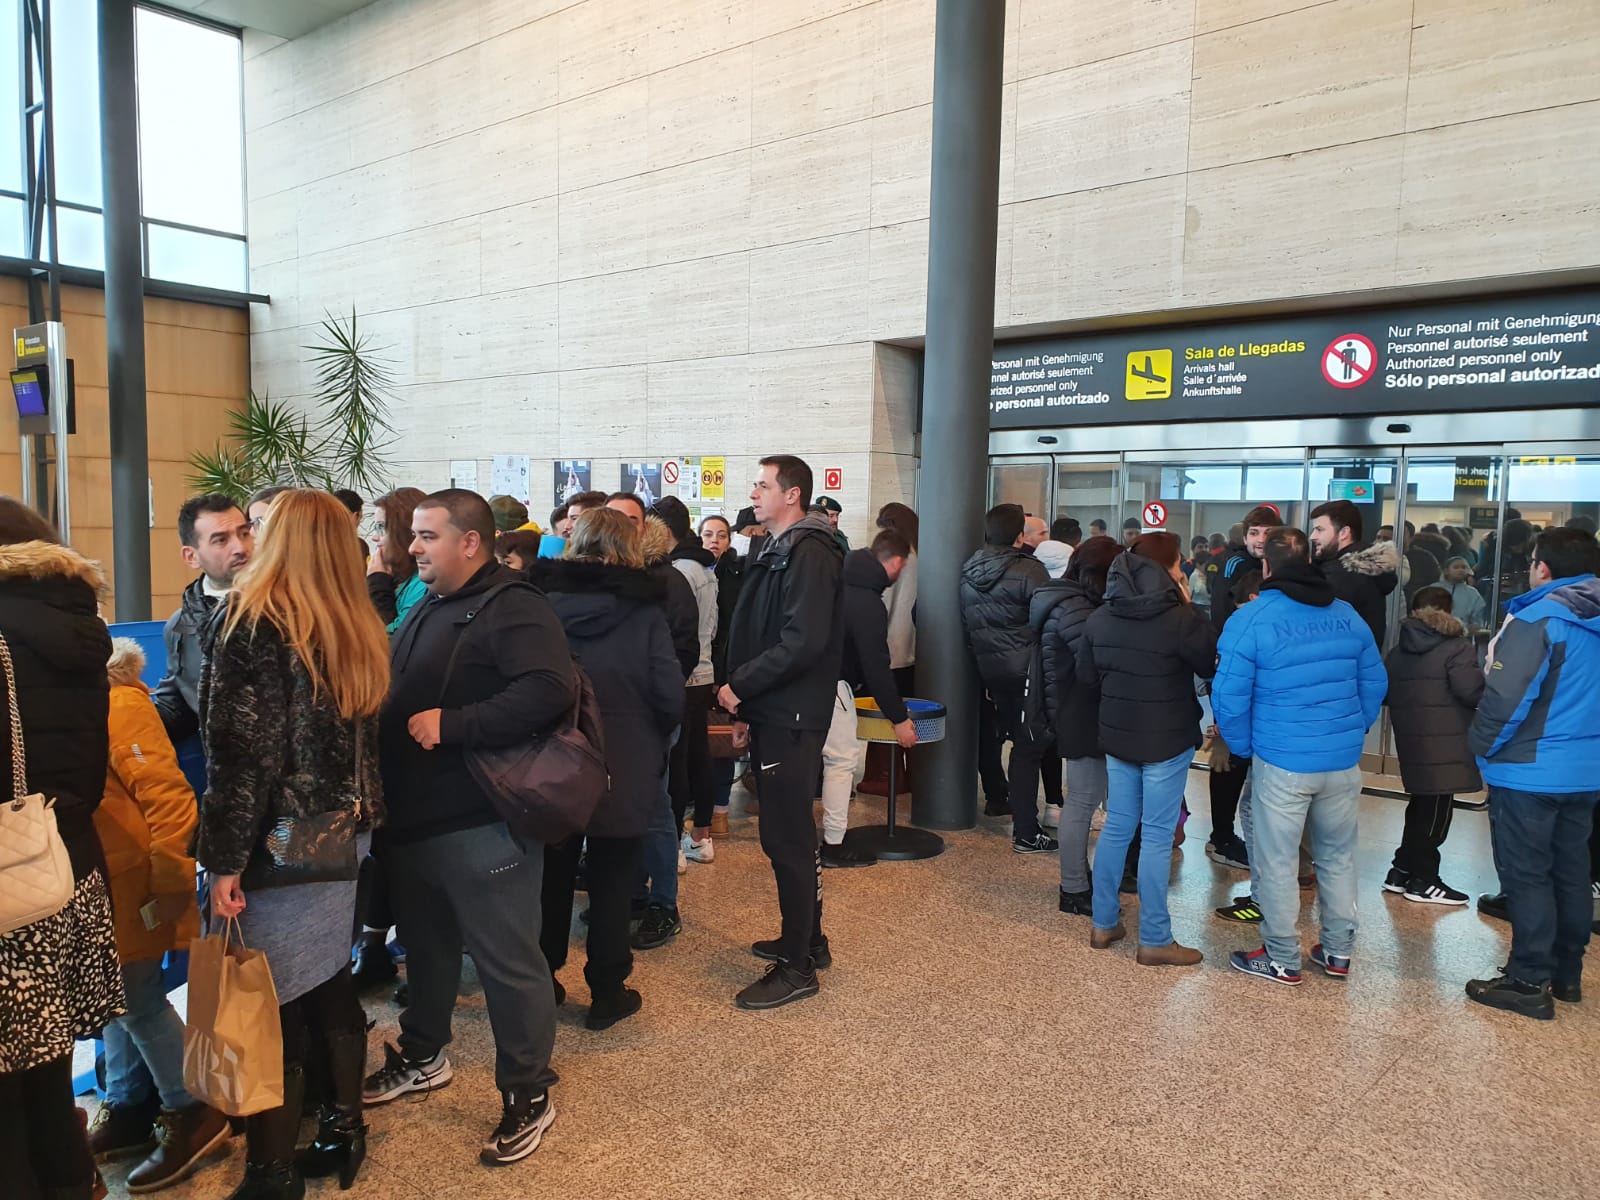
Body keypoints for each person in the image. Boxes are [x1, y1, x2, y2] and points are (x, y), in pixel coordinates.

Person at [364, 490, 572, 1166]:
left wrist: (455, 724)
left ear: (470, 542)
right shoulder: (431, 601)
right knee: (424, 951)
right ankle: (424, 1054)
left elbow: (547, 691)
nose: (413, 547)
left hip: (479, 821)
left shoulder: (514, 606)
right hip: (415, 820)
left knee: (507, 961)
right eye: (414, 536)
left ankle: (528, 1090)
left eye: (427, 536)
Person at [196, 489, 389, 1198]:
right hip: (346, 837)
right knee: (326, 978)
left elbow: (241, 757)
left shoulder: (251, 619)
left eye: (262, 526)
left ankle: (272, 1170)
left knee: (266, 994)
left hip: (278, 840)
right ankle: (344, 1128)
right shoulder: (355, 621)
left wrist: (221, 859)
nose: (250, 539)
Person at [0, 501, 121, 1200]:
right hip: (65, 867)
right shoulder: (78, 626)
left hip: (8, 885)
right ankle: (74, 1183)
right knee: (46, 1065)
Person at [1213, 528, 1385, 987]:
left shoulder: (1251, 618)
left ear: (1265, 567)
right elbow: (1375, 683)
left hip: (1283, 761)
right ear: (1310, 559)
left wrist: (1246, 746)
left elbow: (1228, 696)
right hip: (1341, 761)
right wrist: (1351, 732)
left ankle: (1282, 957)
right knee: (1338, 857)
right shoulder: (1346, 615)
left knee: (1277, 861)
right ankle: (1338, 952)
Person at [88, 639, 228, 1192]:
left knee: (137, 997)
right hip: (104, 879)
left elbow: (169, 797)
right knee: (114, 996)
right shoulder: (81, 697)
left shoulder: (119, 701)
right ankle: (128, 1102)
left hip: (134, 881)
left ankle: (191, 1108)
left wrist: (171, 881)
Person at [535, 510, 684, 1030]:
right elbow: (668, 692)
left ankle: (544, 979)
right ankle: (605, 989)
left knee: (551, 875)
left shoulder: (543, 606)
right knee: (615, 877)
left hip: (553, 758)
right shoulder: (644, 614)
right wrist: (655, 740)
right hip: (625, 757)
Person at [720, 455, 844, 1010]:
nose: (754, 490)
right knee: (782, 834)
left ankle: (797, 967)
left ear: (791, 495)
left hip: (792, 713)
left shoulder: (810, 549)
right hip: (774, 709)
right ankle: (807, 940)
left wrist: (740, 687)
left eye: (763, 484)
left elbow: (802, 641)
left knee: (789, 838)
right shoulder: (776, 546)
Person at [1465, 528, 1600, 1020]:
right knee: (1572, 872)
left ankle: (1527, 979)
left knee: (1526, 875)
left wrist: (1480, 749)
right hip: (1586, 772)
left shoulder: (1540, 617)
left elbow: (1506, 698)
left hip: (1530, 771)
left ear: (1542, 567)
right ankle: (1566, 974)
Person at [1077, 532, 1216, 966]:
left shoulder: (1100, 618)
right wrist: (1189, 605)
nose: (1182, 571)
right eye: (1178, 565)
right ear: (1166, 570)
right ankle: (1154, 938)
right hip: (1167, 739)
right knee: (1156, 836)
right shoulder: (1182, 620)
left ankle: (1104, 923)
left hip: (1119, 738)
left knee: (1117, 826)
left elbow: (1085, 678)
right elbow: (1210, 663)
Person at [1033, 536, 1121, 916]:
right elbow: (1095, 666)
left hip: (1073, 710)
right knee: (1082, 801)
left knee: (1083, 800)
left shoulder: (1066, 601)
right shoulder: (1078, 610)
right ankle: (1073, 887)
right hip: (1081, 712)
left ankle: (1079, 879)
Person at [959, 503, 1055, 853]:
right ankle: (1026, 832)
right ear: (1019, 536)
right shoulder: (1032, 571)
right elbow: (1049, 621)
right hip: (1029, 670)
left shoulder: (968, 570)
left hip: (991, 670)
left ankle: (1013, 809)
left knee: (1012, 740)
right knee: (1029, 748)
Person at [819, 532, 917, 866]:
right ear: (897, 563)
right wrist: (900, 719)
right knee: (840, 762)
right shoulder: (868, 603)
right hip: (832, 687)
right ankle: (834, 845)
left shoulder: (834, 580)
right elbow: (877, 668)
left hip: (798, 683)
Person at [1381, 586, 1483, 906]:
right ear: (1447, 611)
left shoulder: (1399, 650)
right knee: (1437, 812)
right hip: (1446, 741)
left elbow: (1385, 692)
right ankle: (1425, 879)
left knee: (1421, 806)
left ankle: (1400, 870)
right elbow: (1471, 691)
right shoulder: (1456, 647)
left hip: (1412, 740)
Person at [152, 494, 254, 743]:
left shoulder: (291, 607)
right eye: (221, 540)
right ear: (191, 556)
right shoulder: (181, 626)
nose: (240, 547)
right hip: (226, 773)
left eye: (244, 533)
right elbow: (181, 707)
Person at [653, 497, 719, 876]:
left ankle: (674, 842)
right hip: (704, 670)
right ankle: (701, 837)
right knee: (698, 757)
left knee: (678, 761)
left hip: (685, 672)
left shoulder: (679, 570)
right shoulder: (705, 567)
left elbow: (679, 632)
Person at [859, 503, 920, 800]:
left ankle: (886, 778)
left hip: (891, 650)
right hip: (915, 651)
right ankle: (911, 778)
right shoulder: (922, 556)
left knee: (887, 717)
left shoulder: (894, 561)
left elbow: (882, 607)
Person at [1309, 500, 1400, 647]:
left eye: (1319, 529)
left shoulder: (1342, 574)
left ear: (1344, 533)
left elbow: (1316, 624)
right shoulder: (1362, 568)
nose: (1312, 536)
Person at [701, 514, 742, 837]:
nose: (715, 540)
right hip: (696, 670)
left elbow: (732, 629)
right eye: (708, 534)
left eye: (722, 535)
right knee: (700, 743)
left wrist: (725, 673)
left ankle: (720, 811)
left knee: (721, 741)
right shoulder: (691, 572)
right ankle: (702, 807)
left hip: (724, 670)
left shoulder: (736, 576)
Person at [366, 487, 429, 635]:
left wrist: (378, 587)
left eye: (381, 527)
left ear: (404, 533)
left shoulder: (424, 582)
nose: (375, 537)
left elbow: (394, 642)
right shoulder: (397, 573)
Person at [1211, 505, 1281, 635]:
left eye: (1268, 533)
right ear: (1244, 539)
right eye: (1254, 533)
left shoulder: (1282, 565)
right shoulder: (1234, 565)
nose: (1261, 539)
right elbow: (1220, 611)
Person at [1440, 556, 1489, 631]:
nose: (1460, 570)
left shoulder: (1473, 593)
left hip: (1463, 635)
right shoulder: (1433, 589)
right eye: (1456, 567)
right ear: (1446, 571)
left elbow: (1478, 620)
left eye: (1464, 567)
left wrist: (1473, 627)